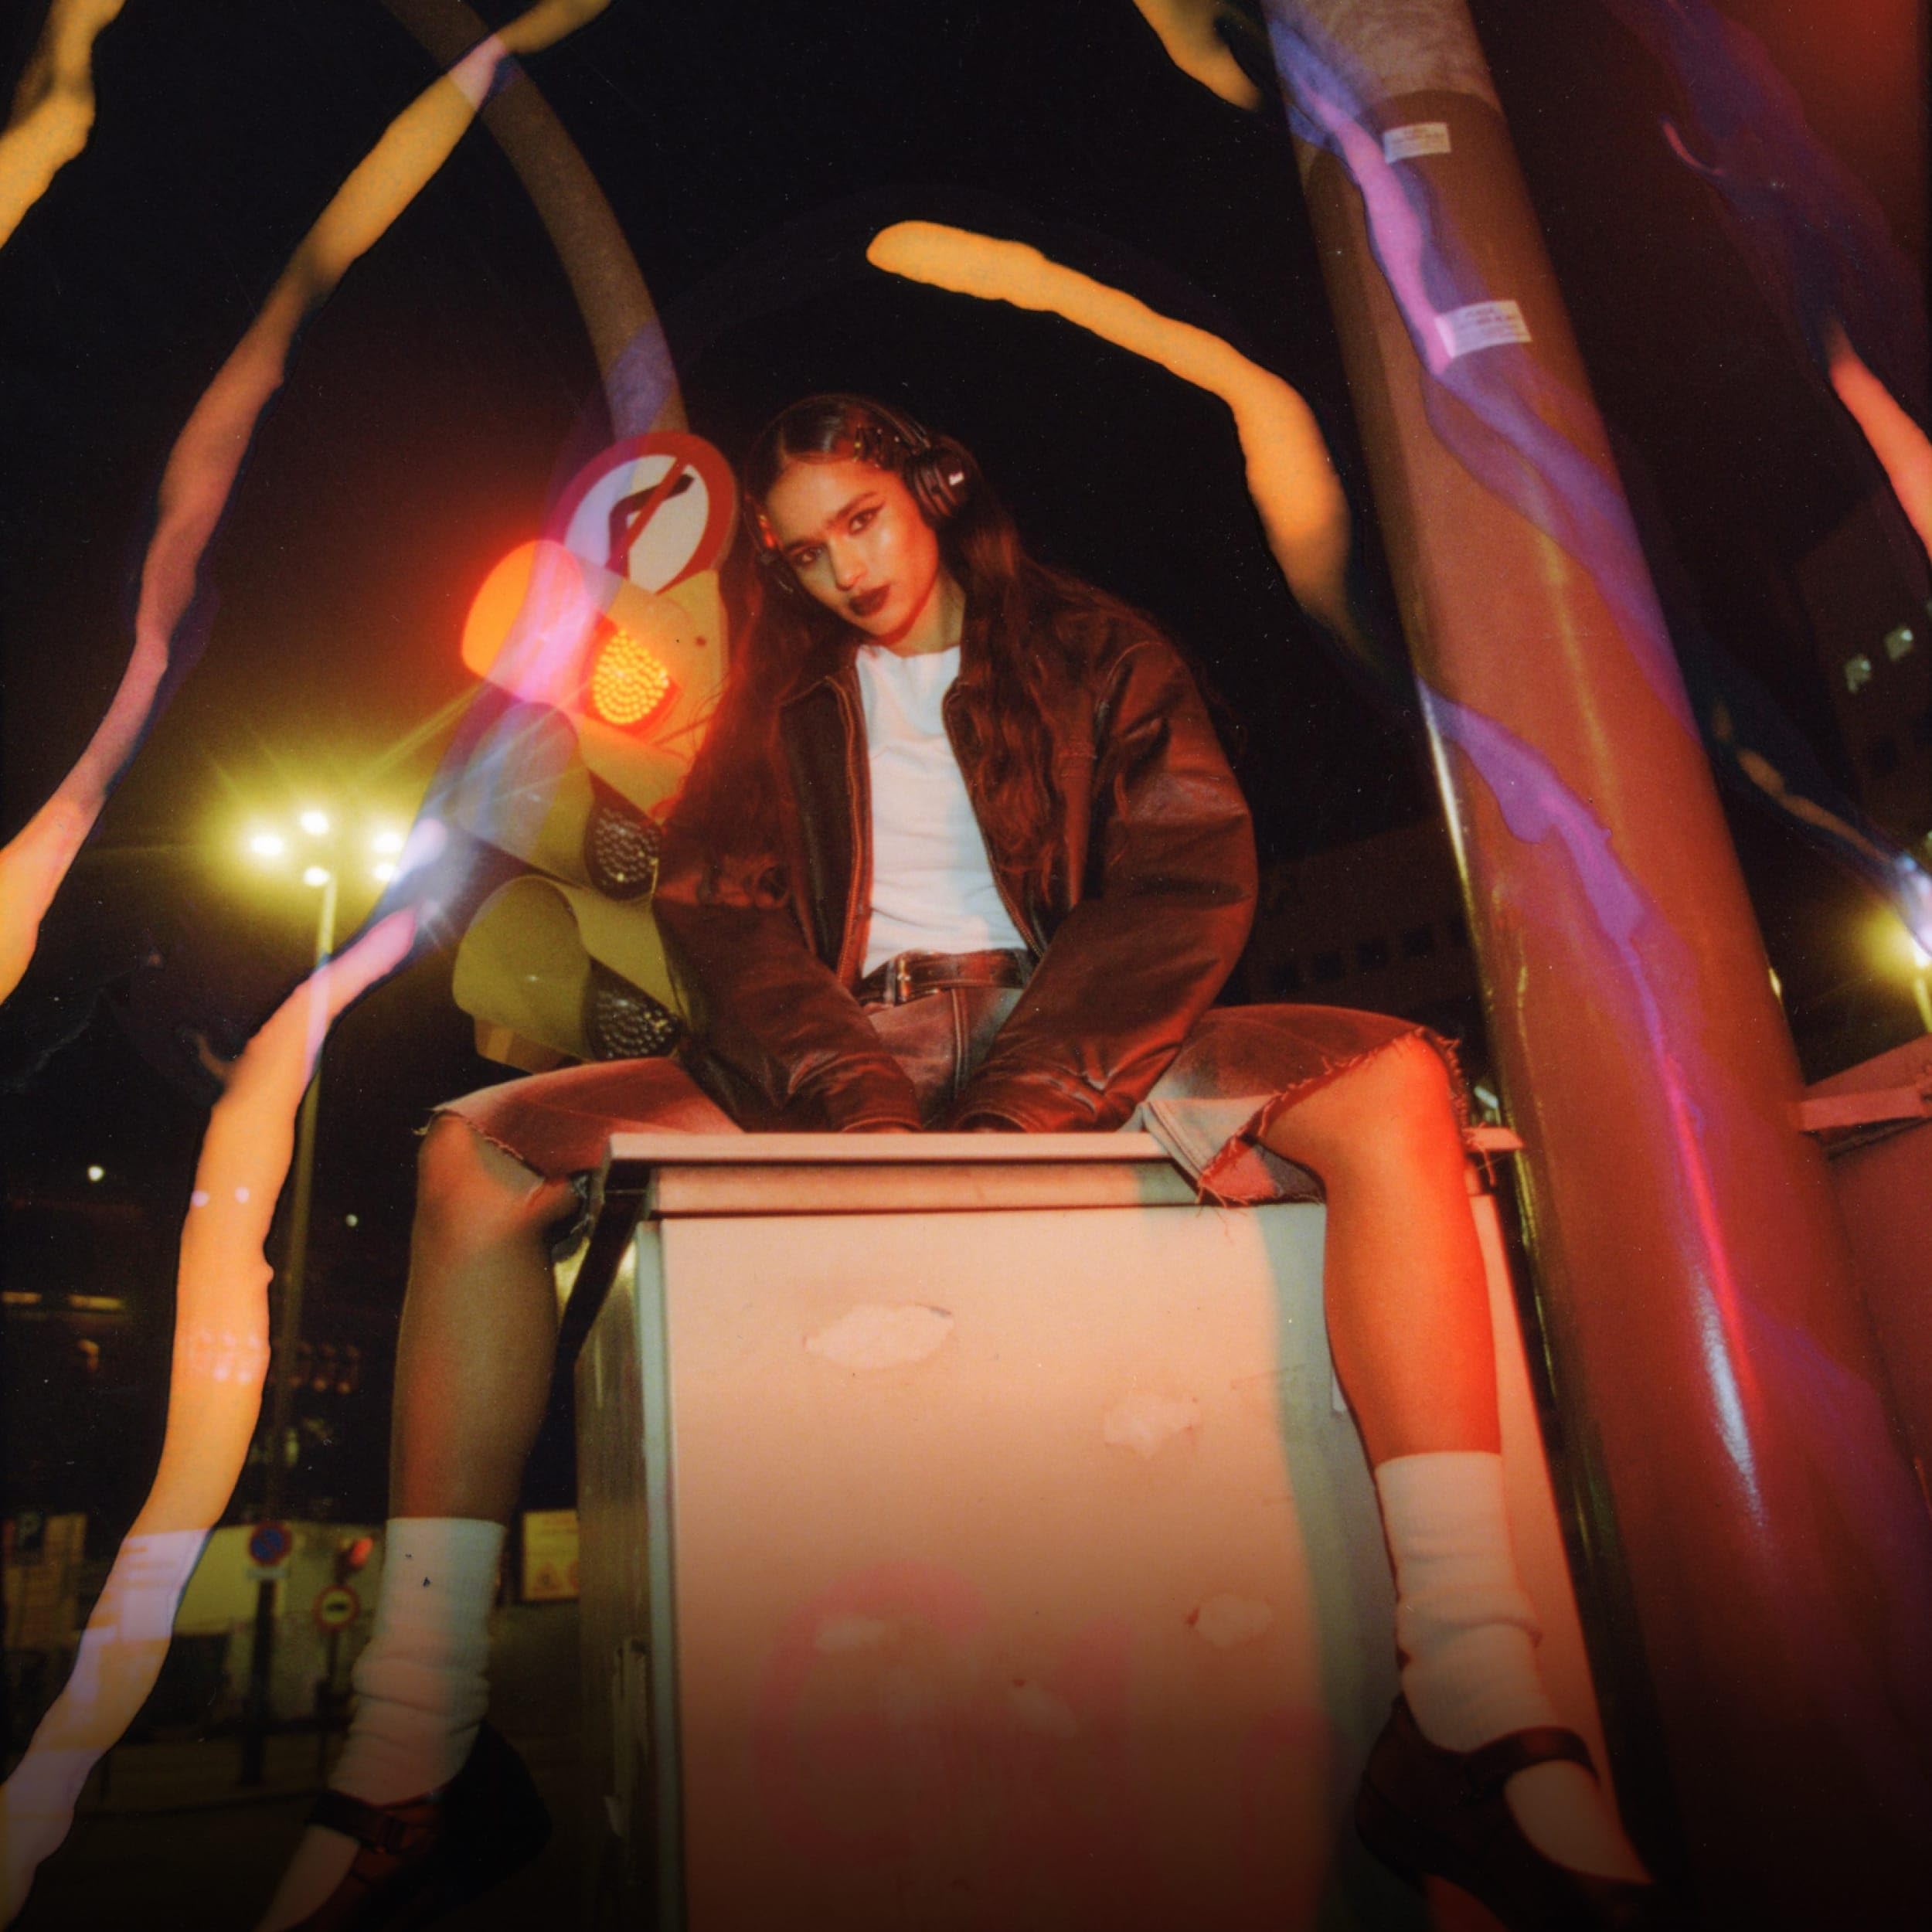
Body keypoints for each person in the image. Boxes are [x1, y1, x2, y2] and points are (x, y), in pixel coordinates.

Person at [259, 394, 1659, 1931]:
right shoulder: (770, 700)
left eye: (859, 522)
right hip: (828, 1047)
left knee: (1392, 1083)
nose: (839, 571)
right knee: (472, 1157)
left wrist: (1030, 1088)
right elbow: (719, 912)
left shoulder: (1098, 652)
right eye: (800, 553)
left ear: (932, 487)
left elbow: (1183, 877)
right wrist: (851, 1087)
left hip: (1084, 1028)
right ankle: (417, 1737)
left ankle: (1468, 1695)